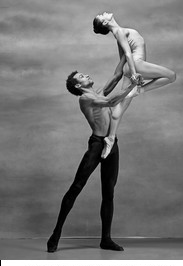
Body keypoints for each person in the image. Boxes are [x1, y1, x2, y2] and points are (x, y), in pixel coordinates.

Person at [47, 58, 141, 253]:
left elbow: (116, 77)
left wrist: (125, 55)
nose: (86, 75)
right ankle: (56, 233)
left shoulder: (95, 94)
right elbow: (111, 101)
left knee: (109, 192)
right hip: (97, 145)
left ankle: (105, 239)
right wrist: (133, 85)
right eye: (81, 76)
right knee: (77, 186)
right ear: (78, 85)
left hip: (111, 144)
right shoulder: (85, 99)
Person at [93, 12, 176, 158]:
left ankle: (110, 138)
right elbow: (128, 54)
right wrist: (133, 74)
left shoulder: (118, 33)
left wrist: (123, 75)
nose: (103, 13)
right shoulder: (119, 32)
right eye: (102, 16)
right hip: (136, 67)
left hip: (131, 68)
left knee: (120, 108)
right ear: (105, 23)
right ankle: (140, 90)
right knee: (171, 76)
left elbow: (123, 59)